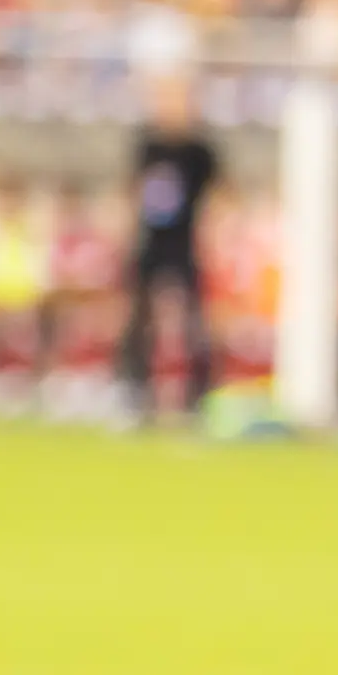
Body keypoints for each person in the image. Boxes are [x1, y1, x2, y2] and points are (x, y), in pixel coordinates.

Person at [122, 73, 219, 419]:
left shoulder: (199, 151)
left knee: (194, 320)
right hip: (152, 241)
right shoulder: (148, 144)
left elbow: (218, 196)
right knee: (139, 317)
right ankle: (135, 390)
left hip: (184, 242)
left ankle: (199, 393)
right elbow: (134, 190)